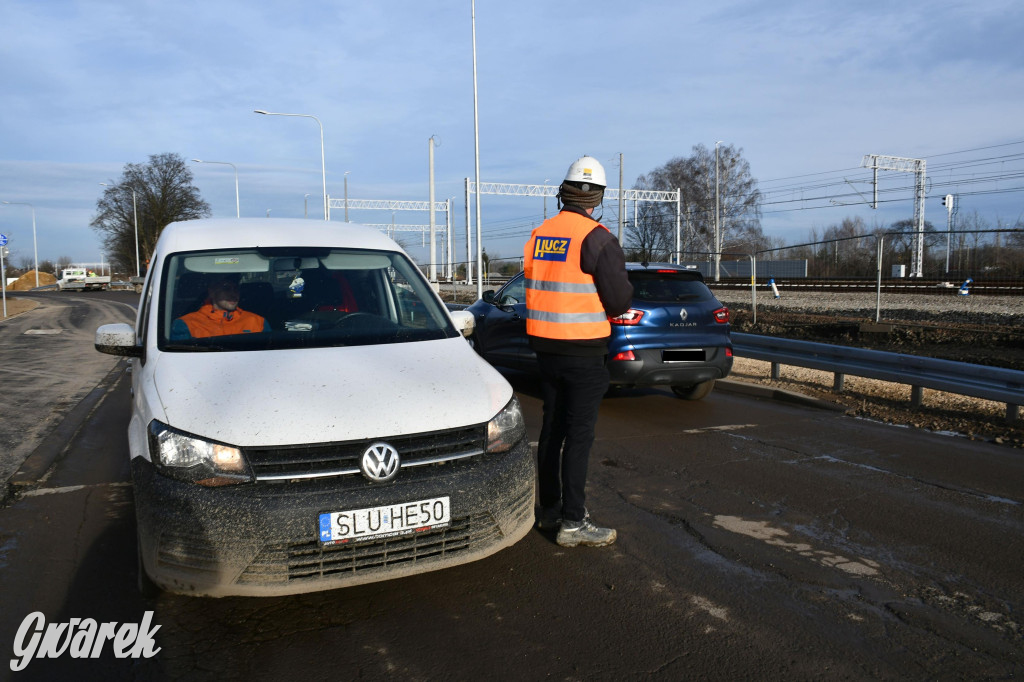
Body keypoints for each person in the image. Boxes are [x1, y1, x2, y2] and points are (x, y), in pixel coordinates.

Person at [524, 155, 633, 548]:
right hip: (584, 351)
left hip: (545, 349)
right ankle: (573, 522)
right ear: (597, 197)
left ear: (564, 192)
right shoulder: (598, 238)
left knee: (552, 430)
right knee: (579, 435)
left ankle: (549, 511)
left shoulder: (539, 235)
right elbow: (618, 301)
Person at [170, 273, 270, 340]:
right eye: (226, 288)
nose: (233, 293)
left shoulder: (258, 322)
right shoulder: (187, 324)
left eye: (236, 289)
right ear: (212, 292)